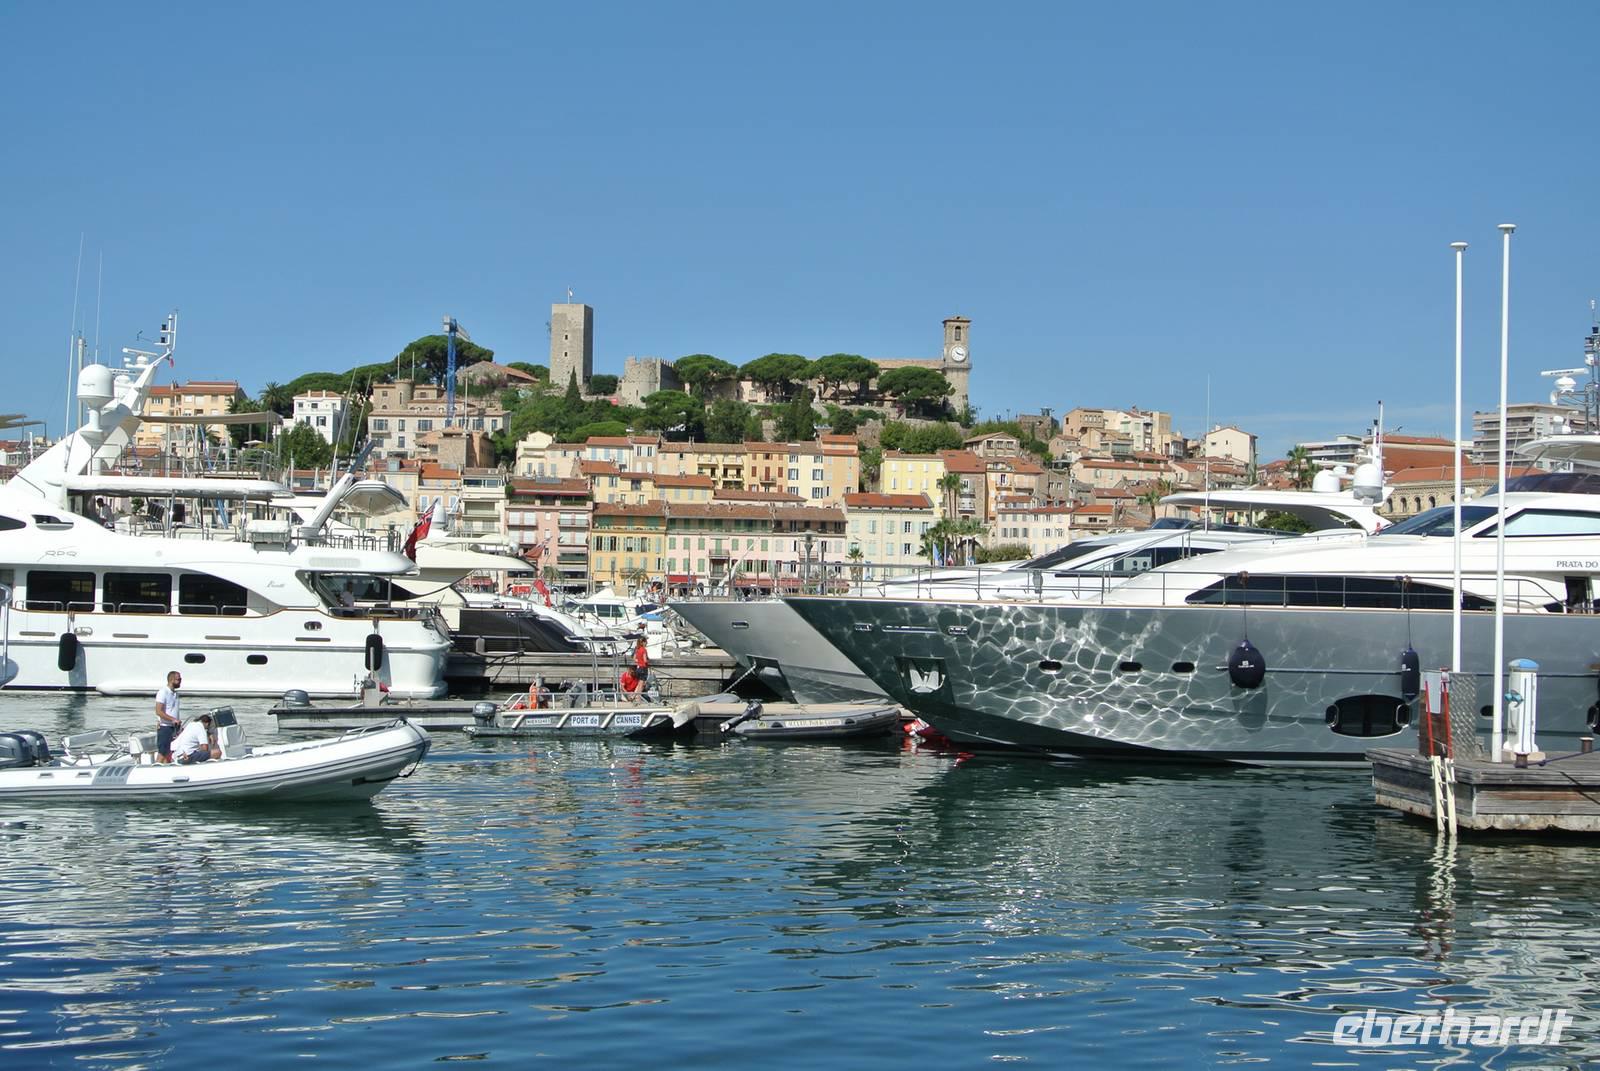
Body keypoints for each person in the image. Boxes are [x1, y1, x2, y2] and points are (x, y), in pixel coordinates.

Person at [154, 670, 183, 763]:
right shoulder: (163, 692)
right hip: (165, 727)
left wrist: (177, 722)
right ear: (172, 680)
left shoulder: (175, 694)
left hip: (174, 727)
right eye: (179, 679)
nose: (180, 681)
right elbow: (158, 711)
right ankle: (155, 769)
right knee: (162, 752)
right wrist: (173, 719)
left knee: (169, 752)